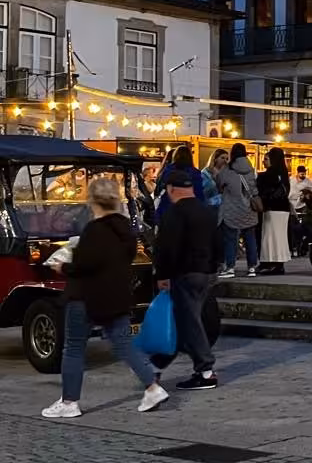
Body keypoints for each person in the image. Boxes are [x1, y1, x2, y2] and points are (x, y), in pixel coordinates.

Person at [41, 178, 168, 420]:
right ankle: (152, 387)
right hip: (116, 296)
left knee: (74, 347)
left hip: (86, 296)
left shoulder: (94, 229)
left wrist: (63, 267)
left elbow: (85, 265)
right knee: (124, 344)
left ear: (92, 201)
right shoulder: (127, 231)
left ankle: (69, 401)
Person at [152, 168, 219, 392]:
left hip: (185, 272)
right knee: (186, 320)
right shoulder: (207, 211)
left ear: (171, 189)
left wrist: (162, 275)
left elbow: (166, 247)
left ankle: (206, 370)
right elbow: (218, 243)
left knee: (189, 321)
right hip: (207, 272)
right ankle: (157, 365)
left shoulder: (174, 213)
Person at [214, 143, 260, 279]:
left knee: (230, 240)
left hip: (231, 210)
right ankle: (252, 267)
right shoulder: (250, 169)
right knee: (250, 239)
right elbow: (254, 188)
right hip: (249, 211)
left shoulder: (227, 170)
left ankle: (230, 268)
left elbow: (219, 184)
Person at [256, 147, 292, 276]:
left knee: (269, 237)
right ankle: (278, 263)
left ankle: (271, 263)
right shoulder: (283, 174)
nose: (263, 161)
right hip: (283, 209)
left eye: (266, 159)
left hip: (271, 209)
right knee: (279, 237)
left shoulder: (267, 175)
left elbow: (261, 191)